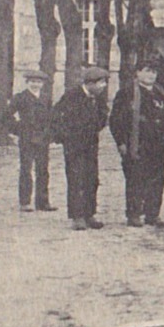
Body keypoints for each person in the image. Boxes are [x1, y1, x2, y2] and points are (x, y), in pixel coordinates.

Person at [109, 58, 164, 228]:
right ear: (138, 72)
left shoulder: (160, 93)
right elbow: (116, 120)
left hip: (159, 146)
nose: (150, 75)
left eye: (154, 72)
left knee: (157, 181)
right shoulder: (126, 93)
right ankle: (133, 215)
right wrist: (121, 143)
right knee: (135, 180)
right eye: (147, 71)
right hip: (137, 146)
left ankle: (152, 214)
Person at [51, 66, 110, 230]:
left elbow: (104, 115)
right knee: (76, 180)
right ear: (90, 83)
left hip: (91, 144)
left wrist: (96, 127)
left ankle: (89, 214)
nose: (103, 86)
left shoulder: (97, 98)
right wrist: (63, 137)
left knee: (92, 179)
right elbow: (56, 116)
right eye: (101, 82)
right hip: (74, 146)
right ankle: (77, 216)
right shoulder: (72, 95)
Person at [5, 70, 56, 213]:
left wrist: (50, 134)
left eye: (38, 82)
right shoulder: (20, 98)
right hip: (27, 138)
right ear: (27, 83)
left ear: (43, 84)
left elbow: (52, 118)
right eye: (32, 81)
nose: (35, 84)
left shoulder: (46, 98)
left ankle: (43, 202)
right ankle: (25, 202)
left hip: (42, 138)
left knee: (43, 170)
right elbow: (7, 116)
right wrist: (18, 130)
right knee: (26, 170)